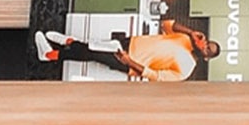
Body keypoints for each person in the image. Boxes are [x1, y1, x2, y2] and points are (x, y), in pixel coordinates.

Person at [34, 17, 220, 82]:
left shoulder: (187, 69)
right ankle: (68, 42)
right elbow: (167, 24)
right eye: (207, 43)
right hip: (129, 42)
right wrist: (191, 32)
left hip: (129, 59)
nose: (205, 46)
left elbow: (157, 76)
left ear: (206, 58)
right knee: (93, 45)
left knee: (90, 52)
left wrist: (129, 62)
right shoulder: (186, 38)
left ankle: (49, 54)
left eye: (207, 50)